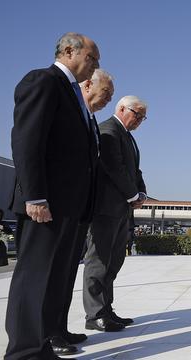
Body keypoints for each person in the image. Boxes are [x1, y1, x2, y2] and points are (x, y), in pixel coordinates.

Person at [5, 32, 100, 360]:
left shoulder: (73, 93)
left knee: (52, 279)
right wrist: (35, 196)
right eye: (92, 58)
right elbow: (28, 141)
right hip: (45, 203)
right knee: (34, 278)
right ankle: (23, 352)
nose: (95, 66)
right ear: (69, 51)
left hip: (68, 205)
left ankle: (42, 343)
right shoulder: (43, 81)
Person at [44, 68, 115, 349]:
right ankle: (46, 334)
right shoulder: (68, 111)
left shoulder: (90, 121)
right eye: (106, 92)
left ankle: (59, 328)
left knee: (65, 274)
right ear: (87, 86)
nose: (108, 98)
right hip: (59, 206)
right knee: (50, 276)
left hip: (79, 208)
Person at [83, 96, 147, 332]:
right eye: (136, 114)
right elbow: (113, 167)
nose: (139, 120)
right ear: (121, 108)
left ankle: (106, 309)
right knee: (98, 261)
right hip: (106, 209)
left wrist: (141, 192)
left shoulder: (128, 137)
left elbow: (134, 170)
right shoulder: (108, 130)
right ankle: (95, 314)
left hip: (121, 209)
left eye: (143, 117)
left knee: (113, 262)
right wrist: (132, 195)